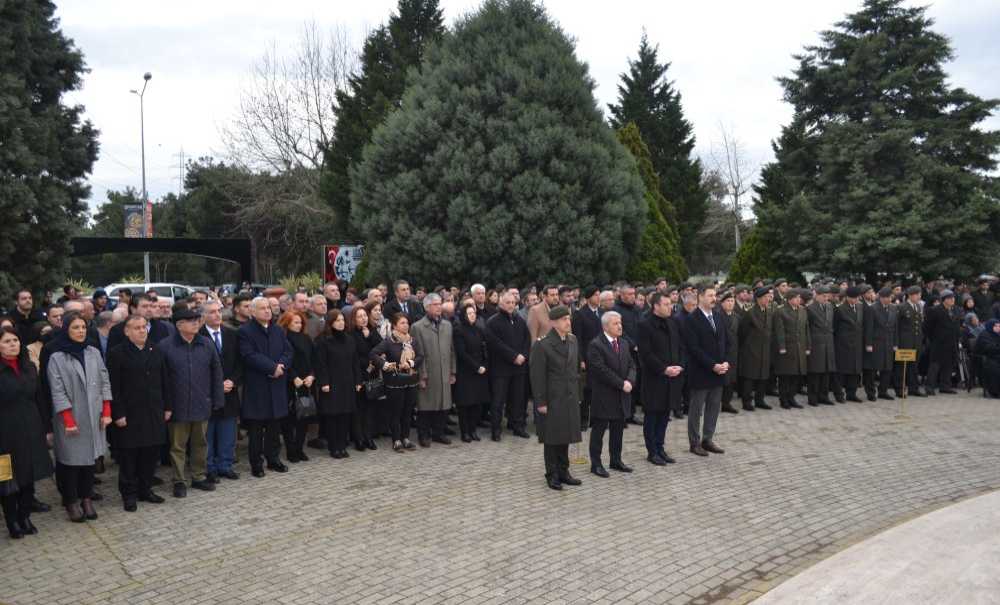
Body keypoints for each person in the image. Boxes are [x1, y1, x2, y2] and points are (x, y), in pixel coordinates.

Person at [46, 311, 112, 522]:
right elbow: (57, 391)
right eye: (75, 327)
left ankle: (86, 498)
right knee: (70, 463)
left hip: (94, 416)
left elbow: (104, 381)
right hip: (71, 419)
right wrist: (68, 420)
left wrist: (107, 412)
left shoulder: (93, 352)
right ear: (66, 329)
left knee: (89, 462)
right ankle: (71, 501)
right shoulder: (56, 357)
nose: (81, 331)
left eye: (83, 327)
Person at [157, 307, 224, 498]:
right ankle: (179, 481)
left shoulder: (206, 344)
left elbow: (216, 372)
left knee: (200, 443)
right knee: (178, 446)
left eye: (197, 320)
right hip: (177, 406)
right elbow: (161, 379)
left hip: (202, 403)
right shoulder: (165, 346)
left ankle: (198, 476)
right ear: (179, 325)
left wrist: (217, 399)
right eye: (191, 320)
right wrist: (165, 405)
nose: (196, 323)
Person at [105, 315, 168, 511]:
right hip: (129, 414)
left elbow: (165, 380)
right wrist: (118, 413)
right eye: (137, 328)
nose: (142, 330)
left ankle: (145, 489)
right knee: (129, 458)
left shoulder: (155, 349)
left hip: (154, 411)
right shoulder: (117, 353)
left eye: (144, 327)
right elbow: (113, 387)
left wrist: (168, 407)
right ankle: (129, 494)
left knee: (150, 455)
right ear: (127, 331)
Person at [0, 326, 52, 538]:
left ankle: (24, 515)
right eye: (6, 341)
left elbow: (40, 399)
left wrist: (46, 428)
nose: (13, 344)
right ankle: (12, 521)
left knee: (28, 476)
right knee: (6, 478)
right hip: (4, 432)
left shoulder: (29, 367)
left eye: (15, 340)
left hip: (30, 428)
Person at [529, 305, 582, 491]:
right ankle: (552, 474)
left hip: (569, 396)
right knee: (552, 438)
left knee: (565, 435)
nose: (568, 322)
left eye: (569, 319)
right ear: (553, 322)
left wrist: (578, 395)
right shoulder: (542, 345)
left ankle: (564, 471)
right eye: (563, 320)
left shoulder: (573, 341)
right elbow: (537, 377)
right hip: (553, 398)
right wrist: (541, 402)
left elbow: (576, 371)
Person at [238, 297, 294, 477]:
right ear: (252, 312)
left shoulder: (277, 330)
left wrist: (281, 367)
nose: (267, 311)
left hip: (276, 385)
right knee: (256, 430)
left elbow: (288, 351)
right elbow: (249, 355)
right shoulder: (245, 331)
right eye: (262, 308)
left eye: (269, 308)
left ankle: (274, 459)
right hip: (258, 387)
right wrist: (271, 368)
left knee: (274, 427)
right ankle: (256, 464)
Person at [680, 286, 728, 457]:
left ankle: (707, 439)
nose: (714, 298)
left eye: (715, 295)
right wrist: (712, 365)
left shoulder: (718, 316)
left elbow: (724, 341)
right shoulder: (692, 319)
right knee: (696, 409)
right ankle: (694, 442)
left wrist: (725, 362)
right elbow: (693, 348)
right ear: (700, 297)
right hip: (701, 371)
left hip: (719, 371)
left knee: (714, 407)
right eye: (710, 295)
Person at [586, 311, 636, 477]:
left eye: (620, 322)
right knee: (599, 431)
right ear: (605, 326)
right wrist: (621, 384)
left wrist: (629, 381)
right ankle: (596, 464)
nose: (620, 326)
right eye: (615, 323)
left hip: (622, 395)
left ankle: (616, 460)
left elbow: (631, 365)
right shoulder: (596, 345)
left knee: (618, 429)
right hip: (604, 395)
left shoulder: (623, 343)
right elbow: (601, 370)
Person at [199, 301, 243, 481]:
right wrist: (217, 384)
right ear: (203, 317)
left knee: (227, 432)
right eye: (212, 312)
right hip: (208, 394)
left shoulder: (232, 334)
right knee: (208, 433)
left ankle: (225, 465)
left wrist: (232, 381)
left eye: (218, 311)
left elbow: (240, 362)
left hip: (230, 391)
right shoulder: (198, 337)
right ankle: (209, 468)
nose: (217, 315)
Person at [638, 292, 684, 465]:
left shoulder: (673, 322)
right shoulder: (645, 325)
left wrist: (679, 365)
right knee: (652, 416)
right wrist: (664, 369)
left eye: (670, 304)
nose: (670, 307)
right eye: (665, 304)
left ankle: (660, 447)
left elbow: (680, 346)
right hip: (654, 378)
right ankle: (652, 451)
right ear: (655, 306)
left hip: (672, 377)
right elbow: (646, 353)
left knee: (665, 415)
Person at [370, 313, 423, 452]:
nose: (406, 325)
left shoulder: (412, 341)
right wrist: (385, 364)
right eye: (402, 323)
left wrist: (411, 362)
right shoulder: (389, 341)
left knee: (408, 411)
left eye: (407, 323)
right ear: (395, 325)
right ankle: (397, 440)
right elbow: (373, 354)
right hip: (395, 381)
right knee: (396, 412)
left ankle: (406, 438)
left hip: (411, 380)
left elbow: (421, 356)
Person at [485, 291, 532, 440]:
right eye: (508, 302)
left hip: (519, 368)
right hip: (501, 369)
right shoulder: (493, 322)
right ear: (501, 303)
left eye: (513, 303)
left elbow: (527, 339)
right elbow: (495, 343)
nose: (511, 305)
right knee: (498, 401)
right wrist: (513, 356)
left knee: (518, 399)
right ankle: (496, 430)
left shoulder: (519, 320)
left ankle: (517, 426)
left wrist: (523, 355)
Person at [411, 293, 456, 447]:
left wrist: (452, 371)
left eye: (440, 304)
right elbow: (418, 354)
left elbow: (451, 350)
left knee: (443, 405)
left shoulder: (447, 325)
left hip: (444, 371)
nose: (439, 307)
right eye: (436, 304)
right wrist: (422, 376)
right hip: (428, 372)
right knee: (425, 406)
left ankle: (439, 433)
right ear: (427, 307)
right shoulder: (417, 327)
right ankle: (423, 435)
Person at [315, 310, 361, 458]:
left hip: (347, 382)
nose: (341, 323)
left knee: (345, 415)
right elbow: (320, 364)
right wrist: (324, 382)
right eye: (337, 320)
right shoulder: (323, 340)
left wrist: (358, 380)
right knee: (332, 416)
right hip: (331, 383)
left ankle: (342, 445)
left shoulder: (349, 339)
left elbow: (355, 362)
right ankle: (334, 446)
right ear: (330, 323)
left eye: (342, 320)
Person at [278, 311, 315, 462]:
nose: (299, 325)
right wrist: (293, 377)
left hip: (306, 382)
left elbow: (314, 359)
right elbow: (285, 360)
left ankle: (299, 448)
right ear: (287, 324)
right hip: (290, 383)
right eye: (295, 323)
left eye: (300, 323)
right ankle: (291, 450)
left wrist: (312, 375)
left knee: (304, 415)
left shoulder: (306, 338)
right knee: (289, 418)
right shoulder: (283, 339)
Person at [453, 303, 490, 442]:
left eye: (474, 313)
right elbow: (462, 353)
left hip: (479, 372)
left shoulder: (479, 330)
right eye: (469, 313)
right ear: (463, 315)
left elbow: (484, 349)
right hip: (466, 372)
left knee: (477, 404)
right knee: (465, 404)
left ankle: (473, 430)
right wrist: (476, 367)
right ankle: (465, 432)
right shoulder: (459, 330)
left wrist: (485, 365)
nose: (472, 315)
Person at [349, 306, 382, 451]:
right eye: (359, 316)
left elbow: (381, 347)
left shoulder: (372, 331)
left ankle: (369, 437)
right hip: (358, 374)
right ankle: (359, 439)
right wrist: (367, 362)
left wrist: (370, 336)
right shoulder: (351, 334)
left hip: (372, 374)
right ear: (354, 319)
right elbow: (353, 355)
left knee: (370, 408)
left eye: (364, 316)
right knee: (359, 408)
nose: (363, 319)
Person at [572, 285, 603, 427]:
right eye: (596, 295)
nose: (598, 297)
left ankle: (597, 417)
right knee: (587, 389)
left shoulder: (602, 313)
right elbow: (577, 338)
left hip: (602, 356)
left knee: (599, 388)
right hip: (587, 356)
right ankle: (583, 419)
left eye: (599, 294)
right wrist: (581, 359)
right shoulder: (580, 314)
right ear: (588, 298)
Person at [738, 287, 774, 411]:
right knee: (750, 377)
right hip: (751, 349)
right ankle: (746, 402)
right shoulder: (750, 313)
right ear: (758, 299)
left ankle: (760, 400)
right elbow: (742, 332)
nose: (768, 300)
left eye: (768, 297)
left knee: (763, 376)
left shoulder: (769, 311)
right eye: (765, 297)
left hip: (765, 349)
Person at [773, 288, 810, 409]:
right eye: (796, 298)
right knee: (785, 376)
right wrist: (782, 347)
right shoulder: (781, 311)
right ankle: (784, 399)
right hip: (787, 349)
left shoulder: (803, 310)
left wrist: (808, 346)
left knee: (796, 376)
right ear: (789, 299)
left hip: (800, 348)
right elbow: (779, 331)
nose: (799, 300)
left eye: (800, 298)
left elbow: (806, 330)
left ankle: (792, 398)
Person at [862, 287, 898, 401]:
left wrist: (895, 343)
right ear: (881, 298)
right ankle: (871, 392)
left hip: (888, 342)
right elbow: (869, 327)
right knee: (872, 370)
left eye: (890, 297)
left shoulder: (893, 308)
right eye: (887, 297)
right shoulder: (872, 309)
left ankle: (883, 391)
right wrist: (868, 344)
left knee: (887, 368)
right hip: (876, 343)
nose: (889, 299)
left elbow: (895, 328)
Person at [924, 290, 961, 395]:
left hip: (952, 341)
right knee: (935, 365)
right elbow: (927, 327)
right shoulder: (934, 310)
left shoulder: (956, 310)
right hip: (938, 342)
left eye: (953, 298)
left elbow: (957, 325)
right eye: (950, 298)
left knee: (949, 365)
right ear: (944, 300)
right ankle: (929, 387)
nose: (952, 300)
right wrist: (933, 339)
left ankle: (945, 386)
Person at [806, 285, 837, 406]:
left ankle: (824, 396)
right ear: (817, 295)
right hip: (816, 344)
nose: (826, 298)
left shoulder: (830, 306)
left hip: (828, 343)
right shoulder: (810, 308)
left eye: (827, 296)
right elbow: (807, 328)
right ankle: (812, 397)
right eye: (823, 296)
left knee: (826, 372)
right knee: (815, 372)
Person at [833, 286, 865, 403]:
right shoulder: (840, 309)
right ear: (847, 297)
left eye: (857, 298)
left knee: (855, 371)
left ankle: (852, 393)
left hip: (857, 345)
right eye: (853, 298)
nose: (855, 300)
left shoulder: (860, 307)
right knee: (842, 371)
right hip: (843, 346)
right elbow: (835, 329)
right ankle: (839, 394)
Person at [896, 285, 926, 397]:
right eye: (917, 294)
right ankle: (900, 389)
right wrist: (897, 342)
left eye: (920, 294)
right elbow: (897, 326)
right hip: (905, 342)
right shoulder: (902, 307)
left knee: (914, 366)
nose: (919, 296)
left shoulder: (918, 306)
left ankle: (914, 388)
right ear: (910, 295)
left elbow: (919, 325)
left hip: (916, 341)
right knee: (902, 367)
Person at [717, 291, 741, 414]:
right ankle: (717, 403)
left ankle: (727, 403)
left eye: (732, 301)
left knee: (731, 379)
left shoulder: (737, 317)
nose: (730, 303)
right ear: (722, 303)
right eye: (728, 301)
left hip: (734, 352)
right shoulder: (717, 316)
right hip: (721, 352)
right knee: (722, 379)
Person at [974, 319, 1000, 397]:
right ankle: (995, 391)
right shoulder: (984, 335)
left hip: (994, 357)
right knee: (995, 368)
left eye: (999, 326)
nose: (999, 327)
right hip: (984, 359)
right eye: (997, 326)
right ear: (991, 326)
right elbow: (987, 348)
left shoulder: (996, 334)